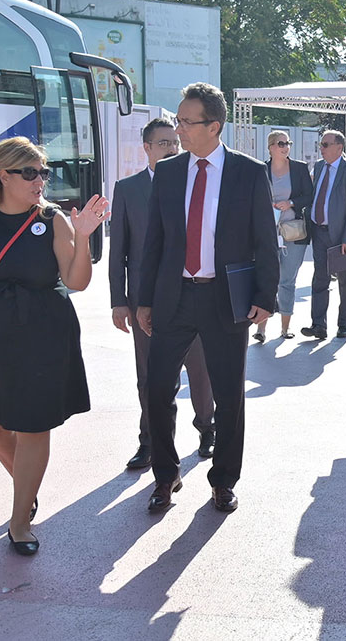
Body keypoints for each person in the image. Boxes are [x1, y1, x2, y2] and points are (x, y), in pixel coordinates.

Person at [0, 136, 109, 556]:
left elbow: (78, 280)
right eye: (29, 173)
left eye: (43, 172)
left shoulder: (52, 219)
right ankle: (25, 487)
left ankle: (20, 521)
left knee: (33, 425)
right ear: (4, 176)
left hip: (44, 333)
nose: (39, 181)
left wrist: (83, 236)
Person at [136, 82, 278, 514]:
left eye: (186, 121)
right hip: (173, 297)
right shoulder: (169, 172)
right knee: (157, 388)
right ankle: (165, 475)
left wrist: (265, 296)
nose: (177, 129)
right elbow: (155, 242)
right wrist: (144, 299)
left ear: (213, 126)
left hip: (225, 298)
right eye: (177, 120)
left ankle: (223, 481)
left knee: (229, 395)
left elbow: (265, 240)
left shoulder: (248, 172)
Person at [109, 117, 216, 470]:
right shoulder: (128, 189)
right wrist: (119, 301)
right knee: (150, 376)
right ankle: (150, 441)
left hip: (190, 295)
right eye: (163, 143)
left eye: (174, 142)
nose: (171, 148)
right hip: (146, 301)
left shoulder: (194, 180)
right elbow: (118, 251)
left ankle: (207, 427)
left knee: (199, 369)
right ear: (147, 148)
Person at [301, 129, 346, 340]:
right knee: (320, 279)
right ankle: (318, 325)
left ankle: (344, 324)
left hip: (341, 237)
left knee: (345, 282)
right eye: (321, 144)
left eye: (325, 145)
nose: (321, 148)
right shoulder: (319, 166)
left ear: (339, 147)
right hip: (319, 232)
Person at [257, 129, 313, 342]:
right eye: (281, 143)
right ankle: (261, 329)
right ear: (271, 147)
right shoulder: (261, 169)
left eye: (287, 143)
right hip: (267, 233)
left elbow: (309, 195)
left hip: (293, 232)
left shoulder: (299, 168)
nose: (285, 147)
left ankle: (285, 328)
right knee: (267, 279)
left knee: (287, 281)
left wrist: (290, 203)